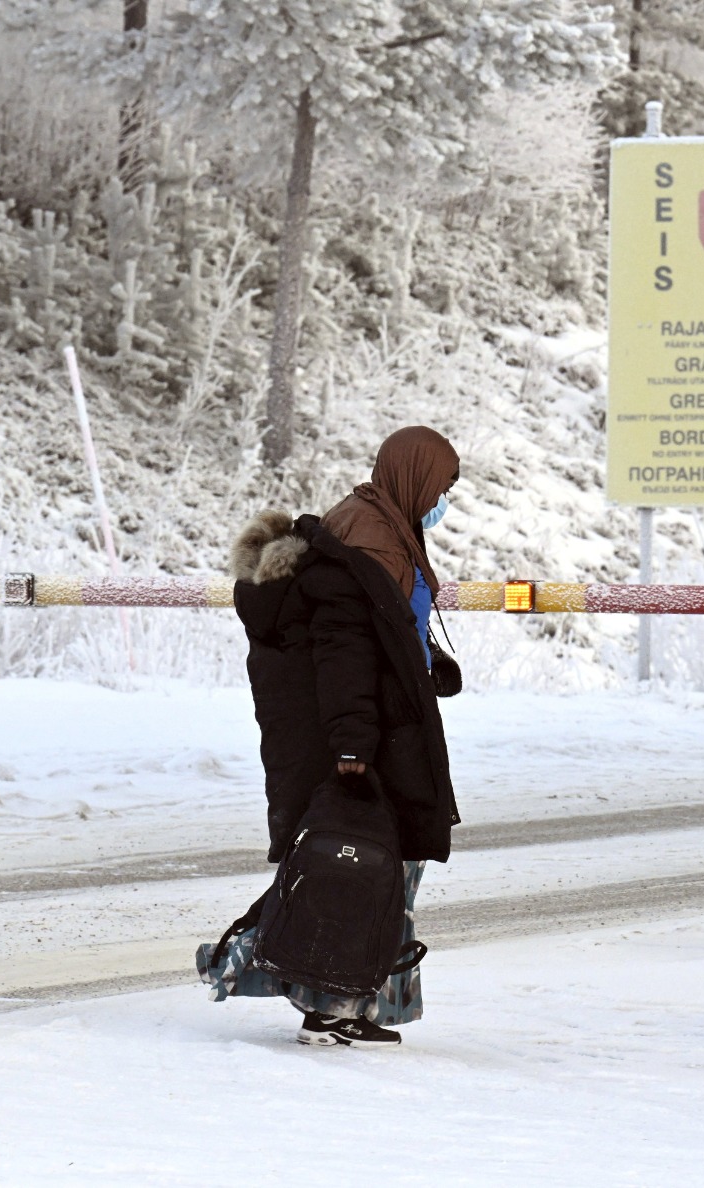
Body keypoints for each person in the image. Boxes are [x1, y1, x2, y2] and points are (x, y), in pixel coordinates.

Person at [221, 425, 462, 1047]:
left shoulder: (382, 526)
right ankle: (327, 1002)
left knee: (378, 864)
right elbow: (345, 647)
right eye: (442, 487)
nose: (444, 501)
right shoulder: (373, 538)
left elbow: (384, 628)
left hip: (380, 722)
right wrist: (353, 742)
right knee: (364, 867)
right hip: (364, 732)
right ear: (415, 476)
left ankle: (350, 1003)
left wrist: (426, 658)